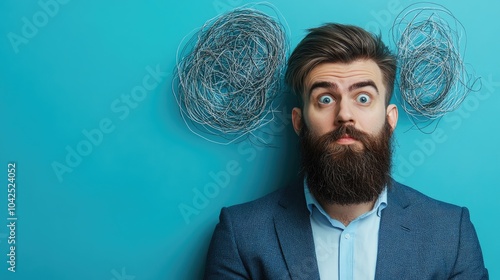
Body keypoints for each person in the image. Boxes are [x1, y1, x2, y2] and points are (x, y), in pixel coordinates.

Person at [203, 23, 488, 280]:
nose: (345, 115)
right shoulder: (241, 235)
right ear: (299, 122)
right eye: (325, 99)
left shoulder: (451, 234)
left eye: (363, 98)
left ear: (390, 119)